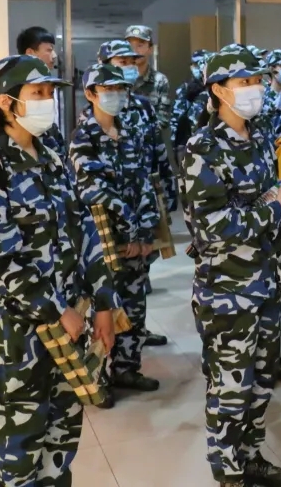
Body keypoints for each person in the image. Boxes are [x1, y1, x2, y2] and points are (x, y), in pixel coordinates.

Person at [0, 55, 120, 487]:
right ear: (6, 102)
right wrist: (55, 311)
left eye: (50, 92)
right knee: (19, 439)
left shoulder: (51, 156)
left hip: (70, 321)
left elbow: (84, 230)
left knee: (62, 434)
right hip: (20, 333)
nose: (48, 100)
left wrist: (104, 302)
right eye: (38, 93)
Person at [181, 47, 281, 487]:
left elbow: (266, 197)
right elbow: (214, 227)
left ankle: (251, 456)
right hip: (227, 290)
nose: (255, 89)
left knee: (262, 381)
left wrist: (275, 200)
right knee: (230, 388)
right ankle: (229, 471)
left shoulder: (260, 136)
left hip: (266, 282)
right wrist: (272, 208)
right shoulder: (203, 148)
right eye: (244, 82)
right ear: (219, 90)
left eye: (257, 81)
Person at [69, 63, 162, 406]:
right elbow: (93, 191)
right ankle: (97, 379)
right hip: (104, 240)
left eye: (121, 90)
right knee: (103, 310)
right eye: (108, 90)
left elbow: (144, 183)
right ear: (91, 94)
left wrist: (146, 230)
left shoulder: (130, 132)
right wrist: (130, 226)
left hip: (135, 241)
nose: (116, 96)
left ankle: (127, 368)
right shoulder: (83, 138)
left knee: (134, 306)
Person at [97, 39, 174, 348]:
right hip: (116, 209)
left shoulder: (142, 105)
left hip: (144, 200)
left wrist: (166, 190)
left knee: (141, 271)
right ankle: (117, 340)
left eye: (131, 62)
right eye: (121, 62)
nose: (129, 67)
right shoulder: (98, 110)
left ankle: (137, 331)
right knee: (114, 278)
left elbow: (157, 149)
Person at [16, 26, 67, 157]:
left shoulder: (50, 84)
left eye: (50, 93)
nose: (54, 55)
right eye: (49, 50)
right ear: (30, 53)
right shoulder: (15, 86)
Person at [125, 25, 173, 130]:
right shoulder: (117, 79)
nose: (134, 51)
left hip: (148, 137)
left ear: (150, 49)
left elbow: (163, 120)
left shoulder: (160, 80)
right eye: (130, 46)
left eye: (140, 45)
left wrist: (137, 132)